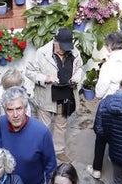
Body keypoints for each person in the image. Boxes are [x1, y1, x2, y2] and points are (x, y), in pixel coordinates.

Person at [25, 27, 81, 164]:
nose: (64, 50)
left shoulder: (74, 52)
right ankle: (41, 151)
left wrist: (76, 78)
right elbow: (29, 72)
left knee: (61, 124)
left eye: (67, 46)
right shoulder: (42, 53)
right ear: (54, 41)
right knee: (44, 126)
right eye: (62, 46)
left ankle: (59, 151)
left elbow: (79, 68)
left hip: (66, 93)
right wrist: (45, 78)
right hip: (46, 94)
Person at [90, 31, 122, 180]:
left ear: (110, 46)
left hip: (109, 104)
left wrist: (99, 94)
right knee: (120, 134)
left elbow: (100, 91)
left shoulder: (109, 65)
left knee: (101, 136)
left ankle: (96, 169)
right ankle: (116, 161)